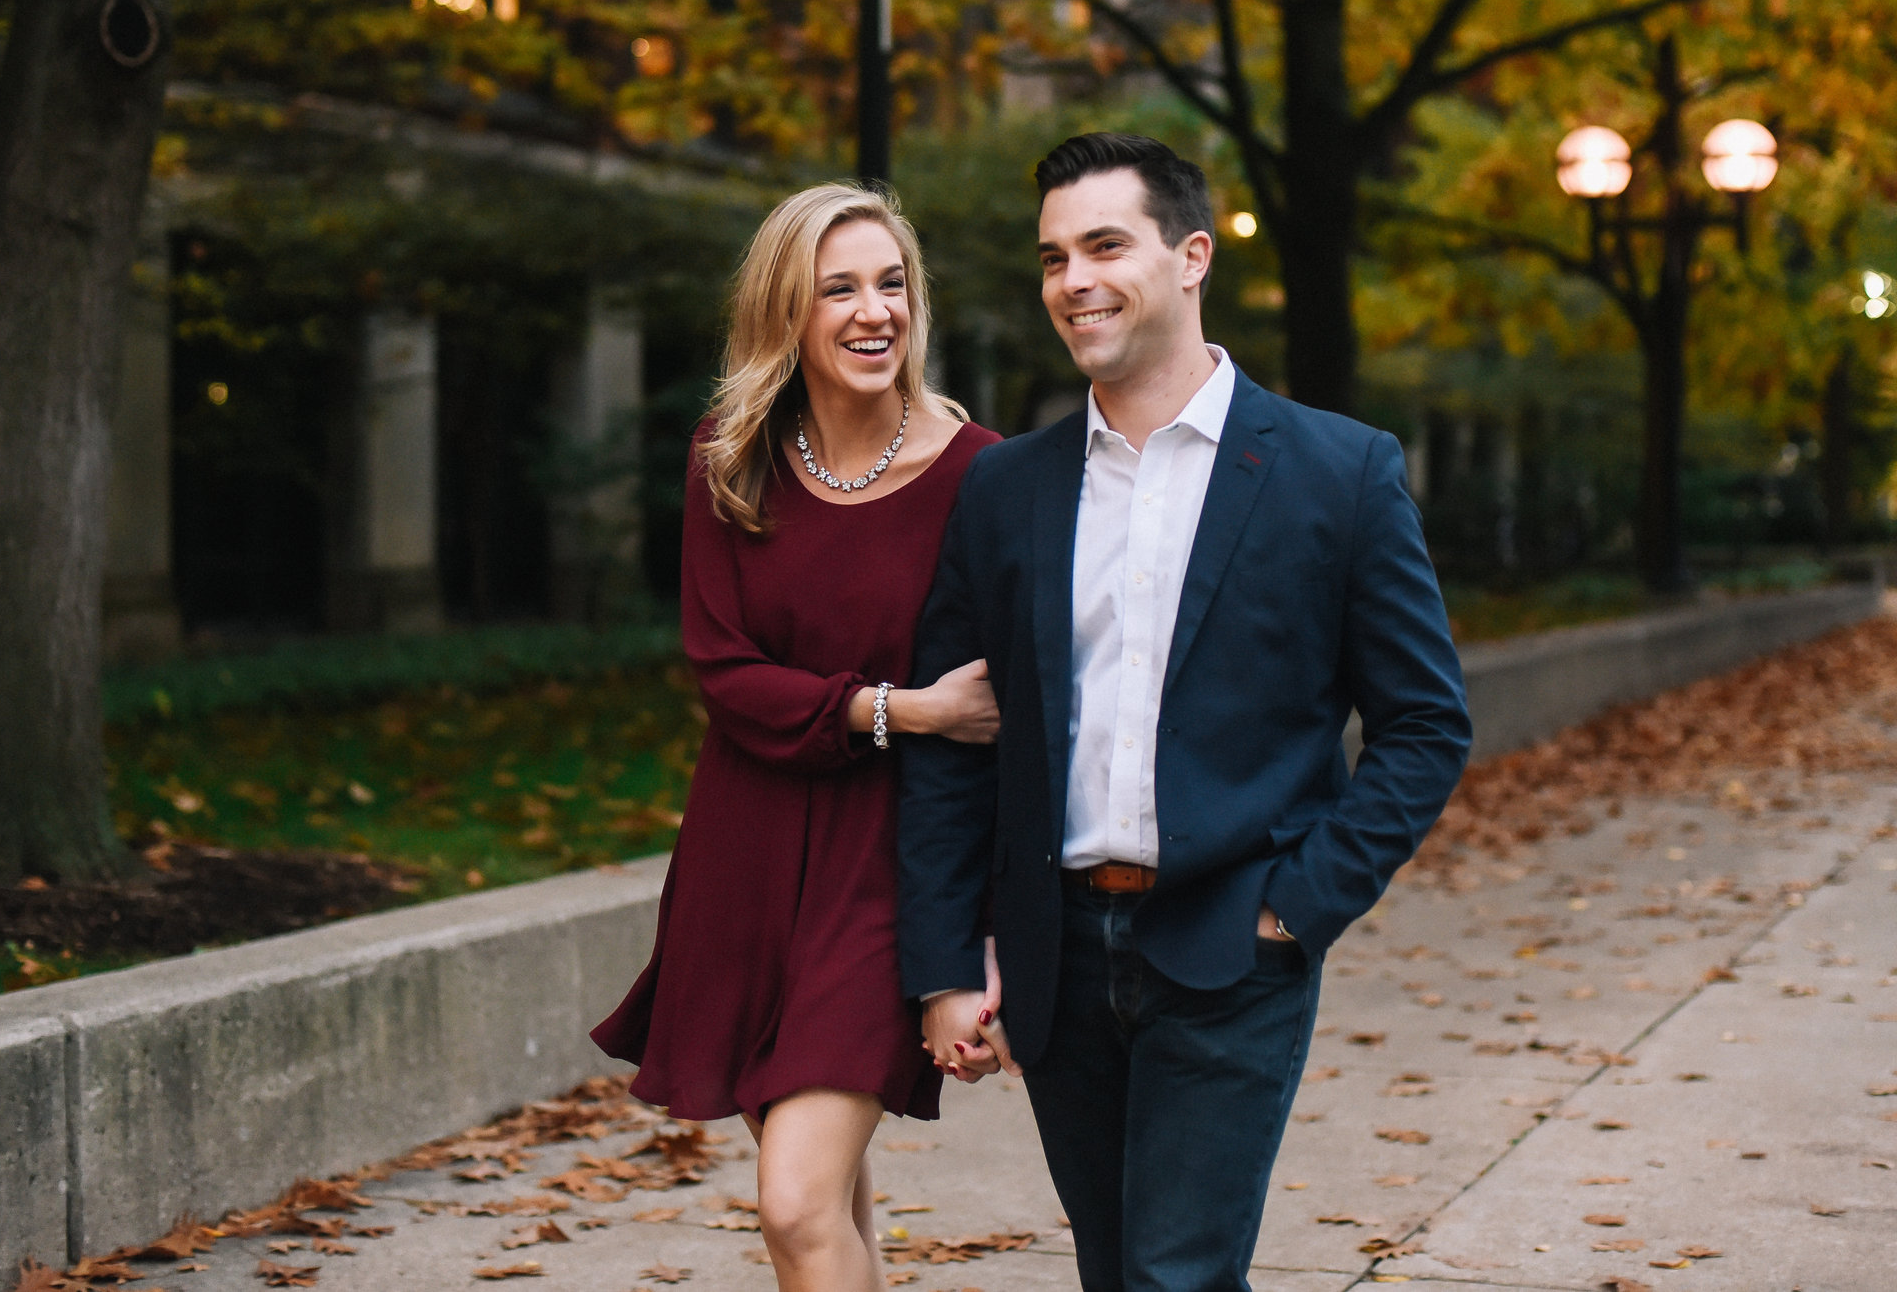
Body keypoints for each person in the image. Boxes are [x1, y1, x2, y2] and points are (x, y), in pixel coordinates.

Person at [896, 132, 1472, 1292]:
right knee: (1118, 1274)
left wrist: (1296, 905)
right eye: (1053, 257)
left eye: (1105, 245)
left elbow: (1424, 724)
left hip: (1230, 947)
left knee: (1176, 1278)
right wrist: (948, 960)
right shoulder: (1006, 489)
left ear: (1192, 255)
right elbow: (959, 748)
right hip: (1057, 957)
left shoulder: (1337, 470)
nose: (1073, 281)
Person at [593, 183, 1003, 1292]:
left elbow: (1015, 716)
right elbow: (727, 673)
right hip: (748, 854)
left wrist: (983, 937)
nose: (875, 311)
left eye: (892, 283)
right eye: (840, 288)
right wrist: (901, 707)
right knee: (830, 1202)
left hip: (890, 863)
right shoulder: (730, 459)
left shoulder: (984, 476)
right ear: (788, 311)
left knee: (795, 1202)